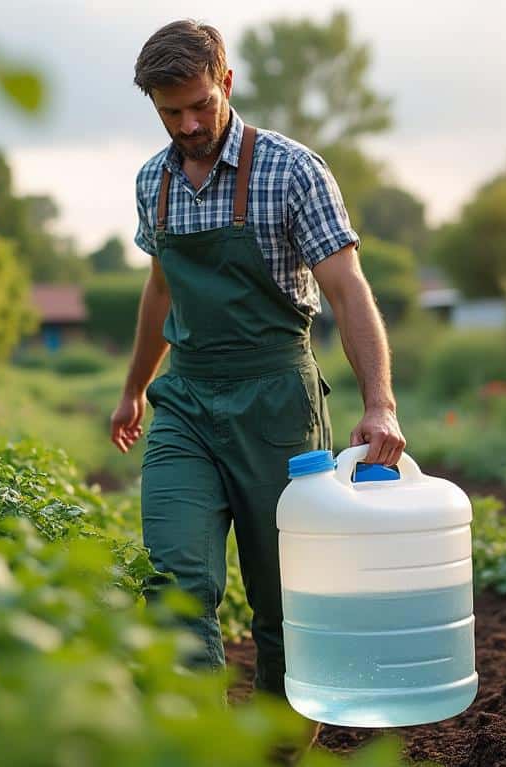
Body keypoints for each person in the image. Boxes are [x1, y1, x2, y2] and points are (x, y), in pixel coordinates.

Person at [108, 19, 407, 711]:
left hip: (277, 404)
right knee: (176, 580)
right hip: (187, 400)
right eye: (169, 112)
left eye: (199, 106)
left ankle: (280, 744)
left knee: (285, 600)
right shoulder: (152, 181)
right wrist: (135, 390)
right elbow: (161, 288)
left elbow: (346, 287)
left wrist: (380, 402)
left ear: (228, 83)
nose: (186, 125)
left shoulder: (292, 169)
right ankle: (200, 740)